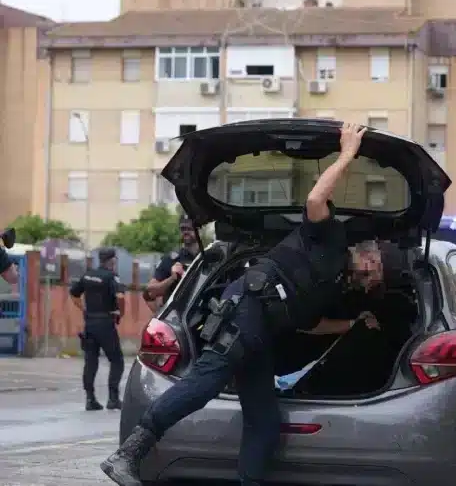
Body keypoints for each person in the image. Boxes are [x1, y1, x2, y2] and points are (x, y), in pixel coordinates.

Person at [100, 123, 402, 486]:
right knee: (205, 383)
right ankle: (127, 455)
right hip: (245, 309)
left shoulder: (337, 286)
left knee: (265, 421)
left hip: (261, 334)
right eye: (375, 277)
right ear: (371, 259)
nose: (369, 285)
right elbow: (314, 200)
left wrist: (351, 324)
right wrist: (348, 155)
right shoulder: (330, 237)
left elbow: (309, 324)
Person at [69, 248, 126, 411]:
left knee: (90, 361)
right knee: (117, 361)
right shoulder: (112, 276)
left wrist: (84, 309)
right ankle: (113, 399)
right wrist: (121, 313)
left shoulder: (88, 275)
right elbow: (120, 297)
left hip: (90, 324)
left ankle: (90, 399)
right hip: (106, 324)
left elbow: (73, 294)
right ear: (112, 261)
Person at [144, 215, 200, 312]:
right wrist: (172, 279)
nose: (186, 232)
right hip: (177, 316)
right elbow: (150, 292)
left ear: (199, 230)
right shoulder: (171, 259)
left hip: (200, 314)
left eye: (190, 228)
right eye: (183, 229)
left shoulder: (208, 257)